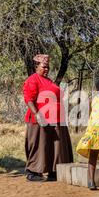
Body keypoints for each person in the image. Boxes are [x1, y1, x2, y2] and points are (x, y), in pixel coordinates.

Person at [23, 54, 73, 182]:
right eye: (44, 67)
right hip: (41, 120)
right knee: (41, 144)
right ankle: (33, 171)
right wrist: (37, 114)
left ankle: (54, 171)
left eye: (48, 67)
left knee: (55, 146)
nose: (46, 69)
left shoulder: (49, 80)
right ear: (36, 67)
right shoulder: (33, 80)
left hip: (55, 119)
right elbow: (29, 99)